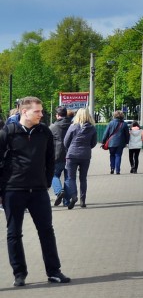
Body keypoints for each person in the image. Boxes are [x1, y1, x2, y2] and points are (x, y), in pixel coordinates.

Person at [0, 97, 70, 287]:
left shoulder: (44, 132)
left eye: (41, 111)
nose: (41, 114)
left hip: (38, 190)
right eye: (37, 111)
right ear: (24, 112)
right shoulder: (8, 133)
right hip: (13, 190)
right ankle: (19, 274)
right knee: (14, 233)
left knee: (46, 231)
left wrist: (46, 182)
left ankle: (54, 271)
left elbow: (50, 160)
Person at [62, 107, 97, 210]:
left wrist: (70, 148)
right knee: (83, 178)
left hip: (72, 154)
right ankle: (83, 201)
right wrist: (86, 147)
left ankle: (74, 196)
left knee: (71, 177)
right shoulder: (92, 128)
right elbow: (93, 143)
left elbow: (65, 141)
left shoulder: (73, 127)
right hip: (85, 155)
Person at [48, 106, 71, 206]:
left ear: (57, 115)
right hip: (70, 155)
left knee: (54, 175)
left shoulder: (53, 127)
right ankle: (67, 201)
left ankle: (58, 191)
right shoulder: (73, 125)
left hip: (57, 155)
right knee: (68, 178)